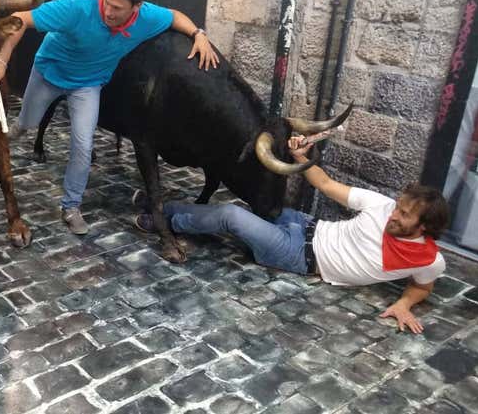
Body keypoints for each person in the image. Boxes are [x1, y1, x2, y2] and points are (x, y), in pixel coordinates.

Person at [0, 0, 219, 235]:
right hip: (50, 71)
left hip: (87, 84)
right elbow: (21, 19)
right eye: (107, 2)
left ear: (137, 7)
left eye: (117, 8)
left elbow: (175, 16)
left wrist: (198, 34)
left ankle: (71, 206)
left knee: (83, 146)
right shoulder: (78, 7)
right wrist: (2, 58)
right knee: (26, 125)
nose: (108, 11)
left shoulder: (148, 17)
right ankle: (14, 132)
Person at [133, 136, 450, 334]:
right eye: (398, 206)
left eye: (404, 215)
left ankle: (160, 219)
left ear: (423, 228)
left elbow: (422, 286)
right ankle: (159, 205)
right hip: (305, 223)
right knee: (250, 204)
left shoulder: (428, 259)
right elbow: (325, 184)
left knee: (231, 216)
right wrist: (301, 158)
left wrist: (405, 304)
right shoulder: (381, 205)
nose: (394, 214)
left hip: (298, 255)